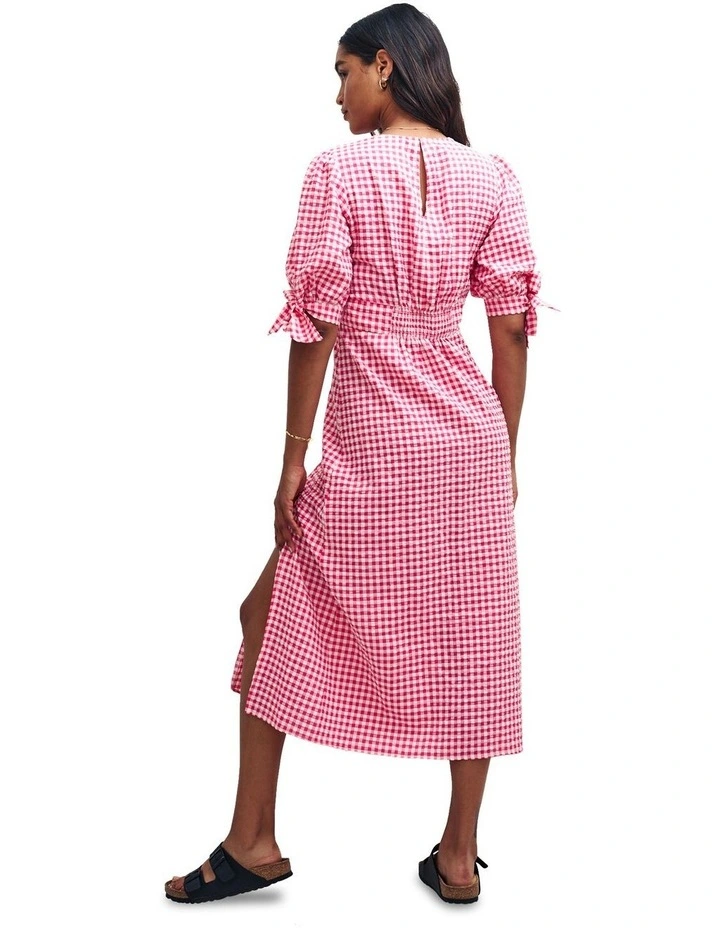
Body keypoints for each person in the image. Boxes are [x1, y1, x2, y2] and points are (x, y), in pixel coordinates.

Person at [165, 1, 550, 907]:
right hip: (466, 442)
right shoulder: (494, 177)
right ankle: (459, 856)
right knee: (472, 635)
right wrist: (504, 454)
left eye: (343, 73)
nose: (337, 95)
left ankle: (253, 840)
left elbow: (316, 323)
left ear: (384, 65)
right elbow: (511, 331)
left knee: (266, 615)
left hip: (373, 443)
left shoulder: (337, 171)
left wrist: (291, 460)